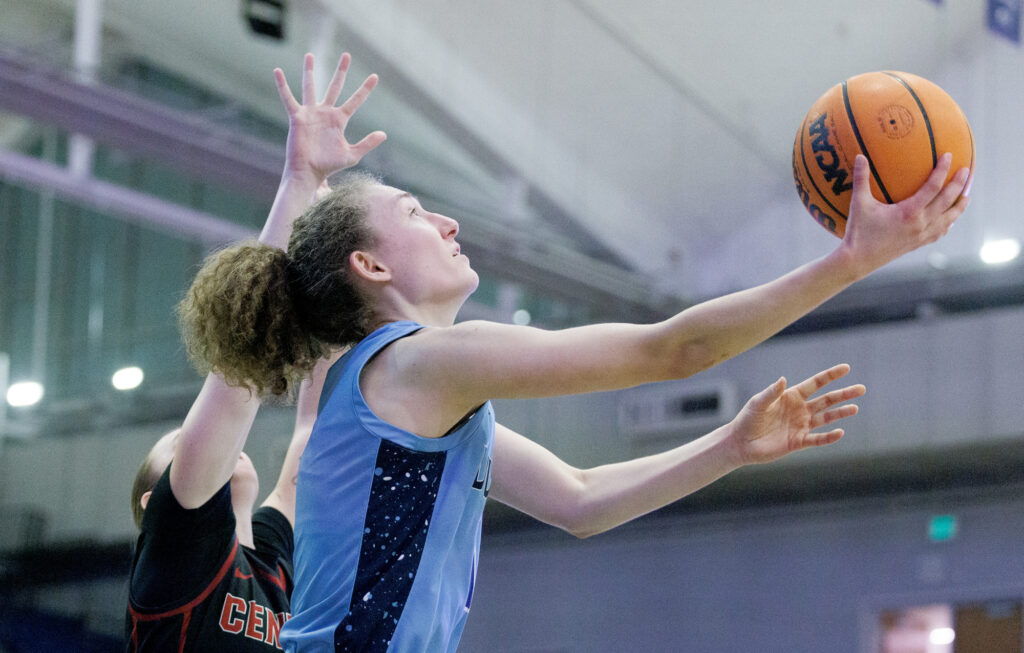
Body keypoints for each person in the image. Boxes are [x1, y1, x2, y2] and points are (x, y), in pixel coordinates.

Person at [175, 51, 972, 652]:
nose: (448, 222)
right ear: (373, 267)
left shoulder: (399, 392)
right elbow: (675, 349)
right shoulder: (417, 364)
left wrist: (729, 446)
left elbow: (582, 497)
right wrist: (849, 262)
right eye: (416, 211)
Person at [124, 52, 385, 652]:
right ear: (154, 506)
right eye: (180, 444)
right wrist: (295, 184)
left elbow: (313, 426)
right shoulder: (173, 562)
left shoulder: (267, 556)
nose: (203, 444)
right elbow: (242, 369)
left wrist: (330, 257)